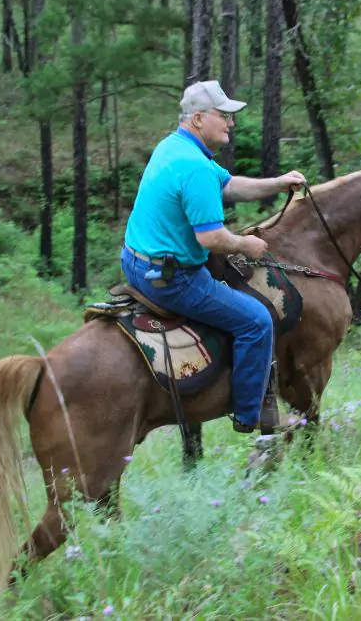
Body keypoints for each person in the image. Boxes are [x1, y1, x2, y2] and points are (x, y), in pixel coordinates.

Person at [122, 80, 306, 433]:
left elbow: (230, 185)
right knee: (256, 321)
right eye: (224, 116)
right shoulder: (196, 167)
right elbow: (210, 237)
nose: (231, 123)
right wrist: (245, 244)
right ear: (198, 119)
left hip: (135, 261)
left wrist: (278, 183)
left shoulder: (174, 147)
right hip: (173, 281)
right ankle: (251, 415)